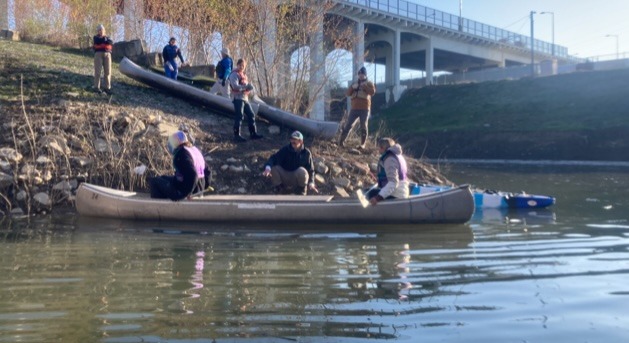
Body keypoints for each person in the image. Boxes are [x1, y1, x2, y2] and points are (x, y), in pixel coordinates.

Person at [149, 131, 207, 201]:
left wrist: (188, 193)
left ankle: (161, 206)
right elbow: (208, 172)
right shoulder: (194, 151)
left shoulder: (181, 154)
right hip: (198, 189)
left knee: (154, 182)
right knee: (163, 178)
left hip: (184, 192)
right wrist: (202, 190)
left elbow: (193, 174)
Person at [262, 131, 318, 195]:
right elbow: (273, 158)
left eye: (295, 140)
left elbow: (311, 170)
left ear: (301, 141)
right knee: (274, 169)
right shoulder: (285, 150)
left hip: (297, 177)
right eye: (291, 139)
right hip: (285, 175)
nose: (292, 141)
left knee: (302, 171)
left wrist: (311, 183)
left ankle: (301, 192)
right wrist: (268, 168)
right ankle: (282, 190)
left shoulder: (306, 153)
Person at [339, 66, 376, 149]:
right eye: (359, 74)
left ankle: (362, 144)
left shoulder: (369, 83)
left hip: (365, 108)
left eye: (362, 74)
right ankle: (341, 141)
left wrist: (364, 87)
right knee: (349, 124)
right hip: (354, 108)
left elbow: (372, 92)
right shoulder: (354, 83)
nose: (361, 75)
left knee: (364, 126)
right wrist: (352, 87)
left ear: (365, 75)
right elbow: (348, 93)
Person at [366, 138, 409, 205]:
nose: (378, 150)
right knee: (372, 191)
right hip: (401, 191)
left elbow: (393, 182)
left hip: (397, 195)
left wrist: (378, 198)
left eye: (379, 148)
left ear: (382, 148)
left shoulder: (389, 159)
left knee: (370, 195)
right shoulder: (397, 156)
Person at [228, 58, 263, 142]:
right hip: (237, 98)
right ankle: (236, 135)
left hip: (245, 98)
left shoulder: (244, 75)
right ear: (237, 65)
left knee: (251, 114)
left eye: (243, 66)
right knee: (239, 116)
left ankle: (253, 133)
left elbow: (246, 86)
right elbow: (235, 86)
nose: (241, 67)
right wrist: (245, 87)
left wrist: (249, 88)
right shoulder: (234, 74)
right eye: (240, 65)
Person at [93, 24, 113, 95]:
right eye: (99, 30)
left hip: (108, 54)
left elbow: (110, 42)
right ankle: (96, 87)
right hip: (98, 54)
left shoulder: (108, 37)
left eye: (101, 30)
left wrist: (103, 42)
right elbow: (97, 41)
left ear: (104, 30)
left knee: (108, 72)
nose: (100, 31)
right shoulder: (95, 37)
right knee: (98, 71)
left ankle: (107, 88)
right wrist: (104, 41)